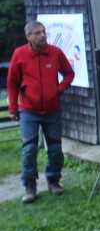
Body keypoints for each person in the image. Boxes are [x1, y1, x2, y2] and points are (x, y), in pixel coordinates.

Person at [7, 21, 75, 203]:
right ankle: (30, 186)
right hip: (28, 110)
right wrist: (13, 108)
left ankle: (53, 181)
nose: (42, 35)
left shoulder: (55, 53)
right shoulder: (19, 54)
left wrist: (58, 89)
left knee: (55, 149)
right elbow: (12, 82)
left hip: (52, 109)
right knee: (29, 149)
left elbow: (69, 74)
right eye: (37, 33)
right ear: (28, 36)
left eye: (44, 32)